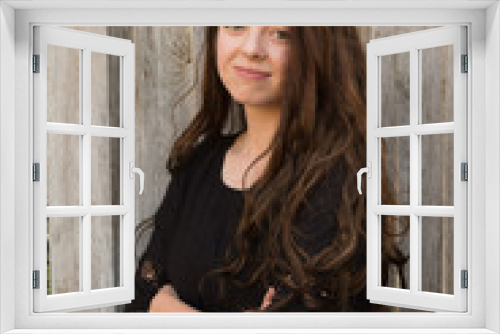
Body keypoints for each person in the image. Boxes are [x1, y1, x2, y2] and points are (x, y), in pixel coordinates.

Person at [123, 26, 408, 313]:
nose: (251, 48)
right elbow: (138, 301)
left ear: (320, 49)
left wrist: (167, 309)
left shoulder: (340, 180)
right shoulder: (200, 163)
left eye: (280, 33)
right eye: (236, 25)